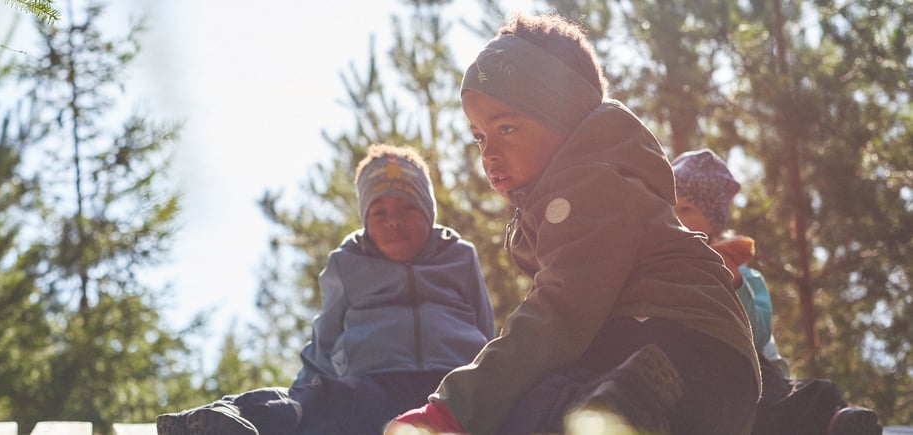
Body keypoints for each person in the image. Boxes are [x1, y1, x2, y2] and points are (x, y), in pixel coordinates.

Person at [386, 13, 760, 435]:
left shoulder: (590, 186)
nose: (488, 153)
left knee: (533, 403)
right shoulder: (581, 192)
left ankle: (629, 400)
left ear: (563, 116)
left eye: (506, 128)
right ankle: (620, 405)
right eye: (479, 136)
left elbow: (560, 312)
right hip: (709, 371)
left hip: (676, 348)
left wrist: (456, 407)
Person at [156, 143, 495, 435]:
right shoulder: (348, 262)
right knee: (319, 402)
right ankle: (227, 420)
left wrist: (491, 381)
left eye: (408, 207)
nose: (393, 219)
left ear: (429, 212)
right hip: (374, 384)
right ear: (365, 219)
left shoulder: (458, 255)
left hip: (453, 385)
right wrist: (304, 393)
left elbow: (485, 327)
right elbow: (326, 340)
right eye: (379, 211)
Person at [671, 148, 882, 435]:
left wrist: (735, 284)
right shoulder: (663, 266)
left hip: (747, 372)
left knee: (796, 394)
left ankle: (834, 423)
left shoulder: (746, 277)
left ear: (713, 220)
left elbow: (758, 335)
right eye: (670, 208)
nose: (676, 217)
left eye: (686, 209)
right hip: (692, 369)